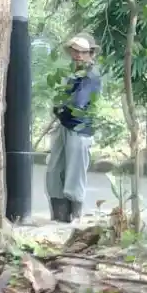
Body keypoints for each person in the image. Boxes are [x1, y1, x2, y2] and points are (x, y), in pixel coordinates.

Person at [46, 33, 102, 223]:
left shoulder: (90, 76)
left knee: (74, 174)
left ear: (90, 54)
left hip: (80, 129)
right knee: (54, 170)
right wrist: (59, 108)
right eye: (75, 51)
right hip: (64, 126)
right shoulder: (72, 75)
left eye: (83, 52)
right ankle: (58, 217)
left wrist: (61, 107)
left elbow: (78, 103)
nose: (78, 55)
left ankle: (74, 217)